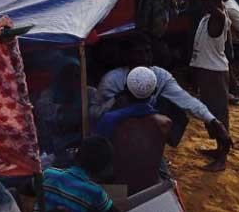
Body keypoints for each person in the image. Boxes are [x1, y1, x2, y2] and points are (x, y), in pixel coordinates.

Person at [91, 34, 231, 153]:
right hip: (115, 136)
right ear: (127, 55)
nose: (145, 57)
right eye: (139, 53)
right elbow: (95, 114)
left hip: (143, 135)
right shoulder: (111, 80)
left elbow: (186, 100)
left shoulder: (160, 75)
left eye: (147, 51)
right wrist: (117, 101)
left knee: (173, 109)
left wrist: (213, 121)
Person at [188, 0, 234, 171]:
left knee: (218, 117)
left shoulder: (219, 16)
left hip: (214, 73)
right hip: (208, 71)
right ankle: (218, 150)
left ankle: (222, 158)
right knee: (212, 115)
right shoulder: (211, 16)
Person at [31, 136, 124, 212]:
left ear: (75, 155)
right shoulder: (96, 192)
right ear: (104, 169)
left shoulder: (48, 173)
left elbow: (24, 189)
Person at [34, 57, 96, 160]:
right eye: (68, 75)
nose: (72, 79)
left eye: (76, 75)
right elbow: (41, 110)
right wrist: (63, 108)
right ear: (60, 76)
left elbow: (95, 114)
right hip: (56, 144)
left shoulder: (89, 92)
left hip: (83, 141)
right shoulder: (49, 94)